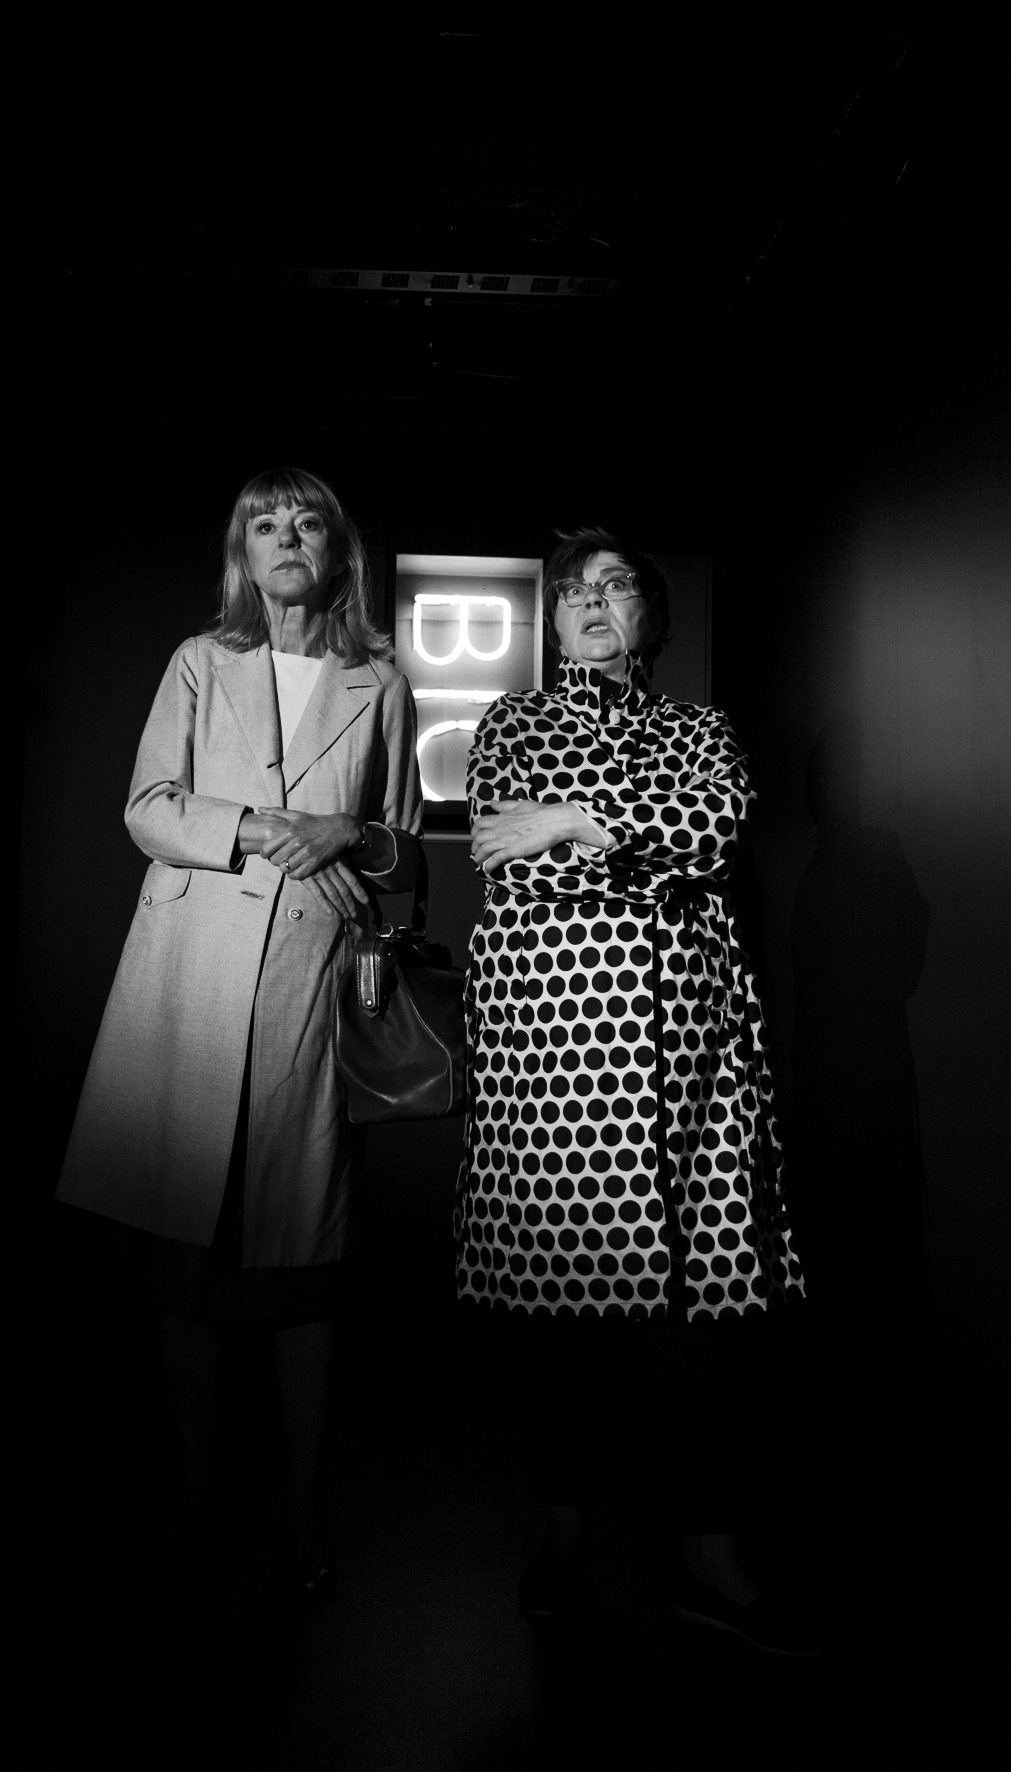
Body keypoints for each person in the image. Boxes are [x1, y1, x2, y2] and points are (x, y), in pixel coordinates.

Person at [56, 466, 423, 1608]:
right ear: (242, 555)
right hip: (192, 985)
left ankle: (303, 1514)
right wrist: (267, 825)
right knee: (185, 1265)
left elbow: (403, 849)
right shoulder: (198, 661)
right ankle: (195, 1500)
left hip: (310, 985)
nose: (286, 538)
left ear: (338, 551)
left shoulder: (380, 679)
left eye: (307, 522)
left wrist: (347, 829)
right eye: (265, 524)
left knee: (301, 1271)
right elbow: (146, 806)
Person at [457, 527, 812, 1654]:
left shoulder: (701, 729)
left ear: (650, 616)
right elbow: (505, 855)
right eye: (572, 592)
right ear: (553, 621)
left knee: (698, 1318)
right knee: (560, 1315)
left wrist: (574, 821)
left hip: (686, 1051)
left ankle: (707, 1553)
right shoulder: (510, 723)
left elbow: (715, 831)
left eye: (615, 587)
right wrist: (619, 843)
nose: (592, 603)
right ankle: (562, 1541)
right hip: (554, 1053)